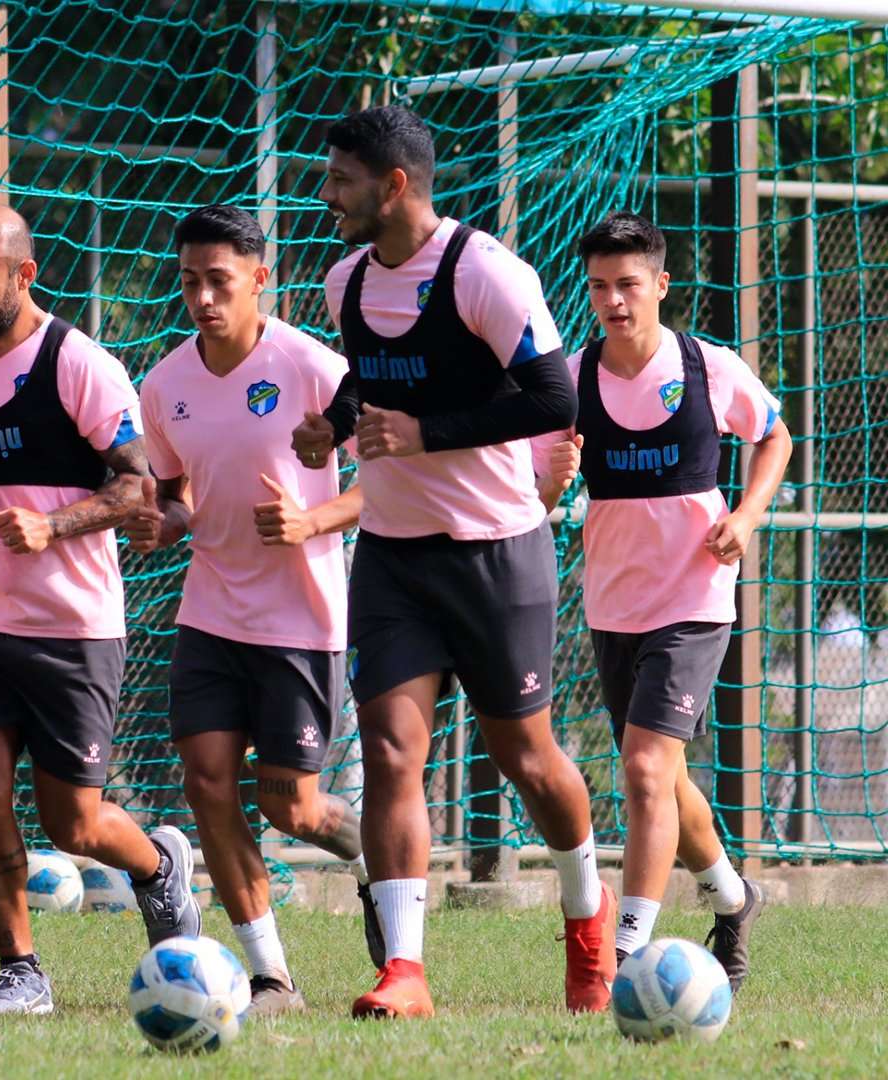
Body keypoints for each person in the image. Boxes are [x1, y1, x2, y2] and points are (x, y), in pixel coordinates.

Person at [291, 105, 610, 1019]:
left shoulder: (488, 275)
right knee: (393, 752)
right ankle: (406, 970)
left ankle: (589, 928)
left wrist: (424, 435)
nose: (327, 195)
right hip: (392, 557)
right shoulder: (344, 278)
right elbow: (372, 375)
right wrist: (336, 425)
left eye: (341, 179)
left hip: (497, 552)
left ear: (395, 186)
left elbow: (553, 397)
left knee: (525, 754)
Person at [0, 203, 200, 1016]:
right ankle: (21, 971)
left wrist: (52, 527)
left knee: (74, 824)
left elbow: (139, 489)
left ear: (26, 275)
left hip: (73, 628)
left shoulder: (78, 365)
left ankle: (158, 867)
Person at [124, 204, 376, 1015]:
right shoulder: (163, 387)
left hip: (302, 621)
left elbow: (391, 483)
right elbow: (175, 494)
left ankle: (376, 858)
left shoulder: (314, 368)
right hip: (210, 615)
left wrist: (313, 520)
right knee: (207, 785)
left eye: (219, 281)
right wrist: (160, 523)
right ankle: (271, 976)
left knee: (288, 803)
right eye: (190, 281)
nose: (202, 298)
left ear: (262, 280)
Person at [533, 211, 783, 989]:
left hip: (696, 600)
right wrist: (552, 481)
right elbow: (538, 490)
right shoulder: (572, 380)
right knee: (663, 778)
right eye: (600, 286)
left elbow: (773, 435)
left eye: (628, 285)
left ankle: (628, 952)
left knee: (644, 769)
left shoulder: (708, 368)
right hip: (613, 606)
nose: (613, 300)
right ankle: (734, 899)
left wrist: (744, 516)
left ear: (661, 286)